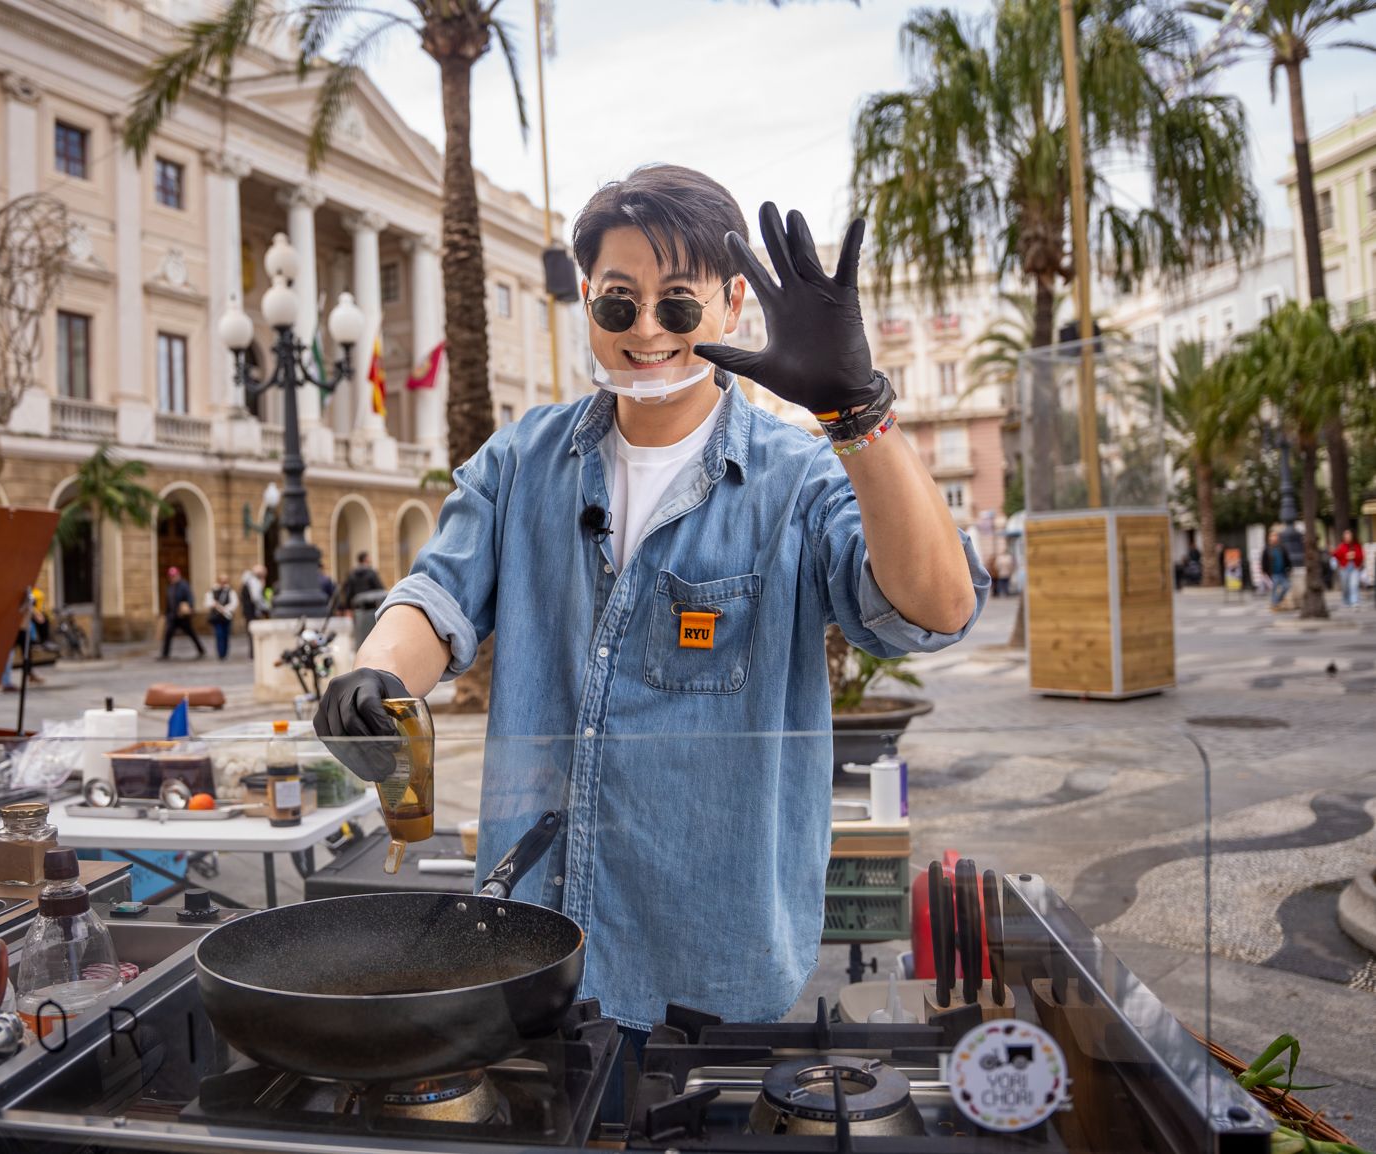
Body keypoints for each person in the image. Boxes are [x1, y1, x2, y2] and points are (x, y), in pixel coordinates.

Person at [314, 166, 985, 1040]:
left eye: (677, 303)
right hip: (530, 954)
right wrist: (373, 676)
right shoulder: (521, 461)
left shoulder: (800, 478)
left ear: (732, 303)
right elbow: (435, 597)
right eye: (618, 304)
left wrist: (857, 413)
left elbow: (931, 609)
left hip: (708, 965)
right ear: (586, 297)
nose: (646, 332)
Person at [159, 566, 204, 659]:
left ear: (178, 575)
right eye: (171, 576)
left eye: (174, 576)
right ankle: (165, 654)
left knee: (191, 633)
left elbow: (190, 597)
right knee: (168, 634)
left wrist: (189, 606)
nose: (172, 578)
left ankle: (201, 650)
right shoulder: (170, 587)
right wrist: (167, 614)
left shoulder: (184, 585)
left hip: (182, 616)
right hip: (173, 616)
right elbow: (169, 602)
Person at [204, 576, 240, 659]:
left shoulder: (230, 591)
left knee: (226, 635)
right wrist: (214, 605)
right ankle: (221, 653)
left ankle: (224, 652)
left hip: (226, 616)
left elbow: (234, 603)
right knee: (219, 634)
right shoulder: (213, 591)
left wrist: (225, 609)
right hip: (217, 617)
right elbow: (207, 602)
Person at [240, 564, 269, 657]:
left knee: (251, 632)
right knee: (254, 632)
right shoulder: (254, 581)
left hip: (248, 611)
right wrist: (266, 608)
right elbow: (257, 598)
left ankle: (253, 653)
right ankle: (254, 653)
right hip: (252, 611)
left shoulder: (247, 581)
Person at [1333, 529, 1364, 609]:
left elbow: (1361, 556)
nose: (1347, 537)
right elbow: (1336, 555)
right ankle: (1346, 601)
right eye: (1346, 536)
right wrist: (1345, 556)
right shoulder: (1342, 546)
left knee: (1354, 584)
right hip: (1344, 567)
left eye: (1349, 535)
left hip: (1354, 567)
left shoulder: (1357, 545)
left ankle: (1354, 601)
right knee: (1345, 585)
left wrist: (1354, 556)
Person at [1262, 529, 1292, 610]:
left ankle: (1276, 602)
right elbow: (1264, 561)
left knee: (1287, 586)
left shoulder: (1282, 548)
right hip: (1273, 574)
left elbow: (1287, 559)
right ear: (1269, 538)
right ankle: (1274, 604)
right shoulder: (1267, 549)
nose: (1274, 537)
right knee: (1274, 590)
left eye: (1275, 536)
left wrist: (1289, 569)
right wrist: (1265, 573)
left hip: (1282, 573)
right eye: (1272, 536)